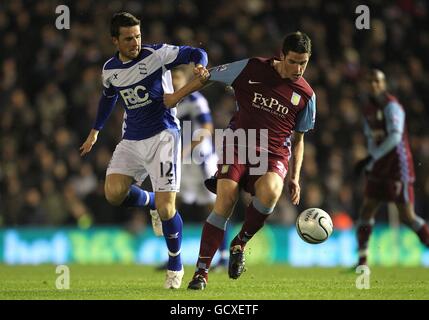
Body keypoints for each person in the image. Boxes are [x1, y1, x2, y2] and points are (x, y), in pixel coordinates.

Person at [165, 31, 316, 290]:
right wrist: (175, 98)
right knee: (225, 197)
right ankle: (201, 273)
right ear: (282, 56)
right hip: (239, 144)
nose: (298, 68)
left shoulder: (306, 96)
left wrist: (295, 177)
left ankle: (240, 242)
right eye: (293, 61)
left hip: (273, 153)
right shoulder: (251, 67)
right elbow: (208, 76)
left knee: (270, 192)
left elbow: (299, 139)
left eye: (304, 62)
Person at [79, 12, 208, 289]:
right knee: (113, 193)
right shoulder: (110, 69)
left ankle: (175, 265)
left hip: (164, 136)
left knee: (167, 208)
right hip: (132, 138)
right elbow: (108, 98)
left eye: (137, 36)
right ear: (115, 40)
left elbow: (197, 52)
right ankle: (150, 200)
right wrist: (95, 130)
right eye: (128, 38)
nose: (135, 42)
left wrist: (198, 66)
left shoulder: (157, 54)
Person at [156, 66, 229, 271]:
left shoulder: (195, 99)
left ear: (185, 79)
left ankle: (223, 257)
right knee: (171, 204)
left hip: (201, 160)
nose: (176, 82)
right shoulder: (165, 103)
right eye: (172, 78)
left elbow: (207, 129)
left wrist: (186, 149)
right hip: (180, 161)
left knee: (216, 206)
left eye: (178, 78)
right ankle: (172, 256)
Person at [354, 69, 429, 266]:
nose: (374, 85)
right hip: (379, 167)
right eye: (370, 81)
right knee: (366, 210)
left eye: (377, 81)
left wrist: (372, 157)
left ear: (384, 84)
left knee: (407, 216)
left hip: (398, 166)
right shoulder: (367, 109)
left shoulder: (392, 106)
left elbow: (395, 137)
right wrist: (371, 161)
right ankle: (362, 261)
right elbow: (371, 137)